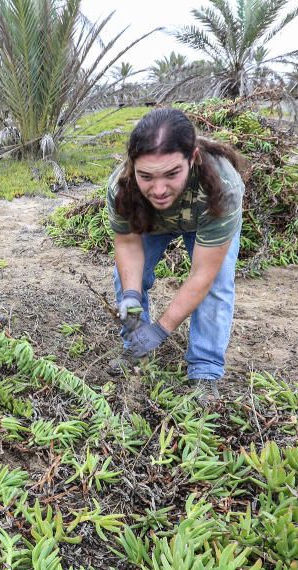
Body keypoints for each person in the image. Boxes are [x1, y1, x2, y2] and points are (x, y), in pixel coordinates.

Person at [106, 107, 245, 405]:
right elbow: (128, 243)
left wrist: (162, 328)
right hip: (152, 223)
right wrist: (130, 294)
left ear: (192, 158)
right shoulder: (122, 186)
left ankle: (205, 370)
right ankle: (135, 349)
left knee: (217, 286)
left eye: (171, 174)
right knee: (128, 277)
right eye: (146, 176)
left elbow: (202, 275)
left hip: (207, 216)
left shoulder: (224, 187)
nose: (158, 189)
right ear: (133, 166)